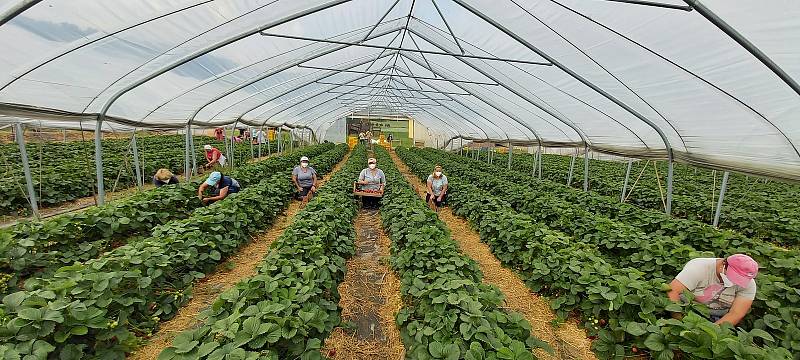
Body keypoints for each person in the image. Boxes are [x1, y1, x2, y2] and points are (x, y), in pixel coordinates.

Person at [666, 254, 758, 325]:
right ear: (723, 264)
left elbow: (736, 313)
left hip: (718, 316)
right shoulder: (698, 268)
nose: (734, 282)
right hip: (688, 309)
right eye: (733, 276)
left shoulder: (749, 284)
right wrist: (679, 321)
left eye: (739, 280)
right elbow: (673, 291)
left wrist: (711, 331)